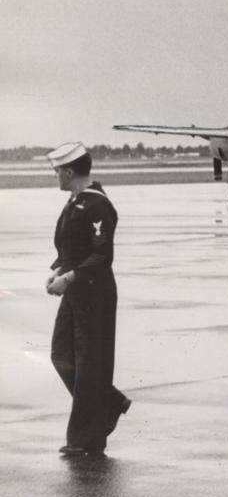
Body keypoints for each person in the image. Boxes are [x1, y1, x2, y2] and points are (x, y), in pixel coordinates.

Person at [45, 143, 131, 457]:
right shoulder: (76, 202)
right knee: (62, 355)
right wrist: (58, 270)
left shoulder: (96, 205)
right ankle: (109, 403)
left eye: (58, 171)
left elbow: (102, 255)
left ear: (69, 172)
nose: (56, 176)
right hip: (76, 291)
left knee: (89, 365)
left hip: (94, 293)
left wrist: (69, 278)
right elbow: (70, 247)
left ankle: (86, 440)